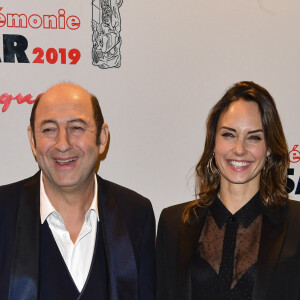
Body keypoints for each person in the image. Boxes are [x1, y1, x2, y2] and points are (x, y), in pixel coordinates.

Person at [0, 82, 156, 300]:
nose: (62, 144)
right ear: (32, 141)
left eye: (77, 128)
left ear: (102, 138)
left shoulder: (136, 213)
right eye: (48, 129)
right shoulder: (4, 211)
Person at [156, 81, 300, 300]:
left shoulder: (296, 223)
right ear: (213, 142)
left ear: (269, 148)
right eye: (229, 135)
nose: (239, 149)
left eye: (254, 137)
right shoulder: (174, 223)